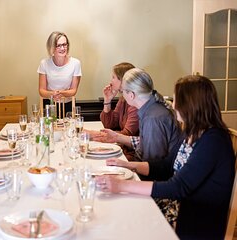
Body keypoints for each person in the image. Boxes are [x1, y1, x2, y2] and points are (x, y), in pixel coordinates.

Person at [96, 75, 235, 239]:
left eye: (177, 101)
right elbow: (168, 165)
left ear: (190, 104)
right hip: (180, 206)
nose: (173, 105)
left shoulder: (213, 141)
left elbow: (178, 187)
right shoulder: (194, 132)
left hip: (195, 221)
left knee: (121, 220)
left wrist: (121, 185)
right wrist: (127, 165)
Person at [101, 68, 183, 181]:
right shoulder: (151, 109)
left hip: (156, 183)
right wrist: (117, 137)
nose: (122, 94)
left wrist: (127, 171)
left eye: (123, 91)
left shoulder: (153, 118)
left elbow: (152, 166)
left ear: (131, 95)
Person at [87, 62, 139, 160]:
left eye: (113, 77)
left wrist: (95, 134)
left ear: (123, 80)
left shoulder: (134, 103)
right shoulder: (123, 99)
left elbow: (127, 134)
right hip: (122, 148)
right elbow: (109, 125)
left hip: (132, 154)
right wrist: (107, 100)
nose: (111, 81)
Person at [37, 31, 82, 114]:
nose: (62, 48)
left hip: (68, 105)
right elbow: (41, 90)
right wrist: (52, 94)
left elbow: (73, 90)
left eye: (64, 44)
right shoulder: (44, 63)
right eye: (58, 45)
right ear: (52, 48)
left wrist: (61, 93)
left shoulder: (75, 63)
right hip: (49, 105)